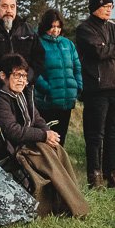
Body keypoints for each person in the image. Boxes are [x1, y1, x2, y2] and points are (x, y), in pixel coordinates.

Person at [0, 53, 89, 217]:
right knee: (44, 154)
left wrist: (47, 133)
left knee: (55, 150)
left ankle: (66, 202)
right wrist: (42, 135)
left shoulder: (21, 93)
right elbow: (13, 131)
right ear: (3, 76)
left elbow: (36, 118)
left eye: (24, 75)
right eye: (17, 75)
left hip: (14, 143)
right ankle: (51, 206)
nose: (22, 80)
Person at [74, 0, 115, 189]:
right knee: (95, 135)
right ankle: (95, 176)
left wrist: (111, 47)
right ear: (94, 7)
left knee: (113, 134)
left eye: (111, 7)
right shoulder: (84, 29)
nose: (109, 10)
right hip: (97, 89)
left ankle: (114, 174)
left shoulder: (114, 28)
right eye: (105, 7)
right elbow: (97, 52)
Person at [33, 9, 82, 143]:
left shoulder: (68, 44)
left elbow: (77, 67)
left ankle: (60, 163)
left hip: (67, 101)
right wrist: (48, 89)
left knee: (62, 139)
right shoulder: (38, 44)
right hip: (47, 102)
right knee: (48, 141)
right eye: (52, 26)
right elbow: (34, 71)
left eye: (58, 26)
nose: (55, 30)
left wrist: (77, 87)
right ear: (45, 26)